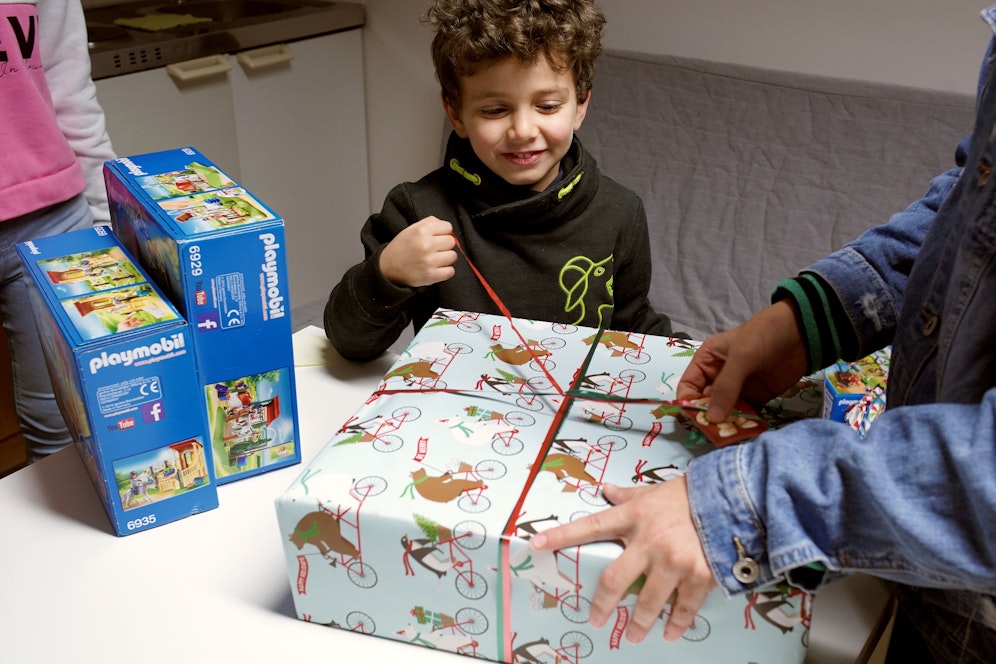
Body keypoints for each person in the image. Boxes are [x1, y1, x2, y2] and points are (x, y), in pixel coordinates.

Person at [531, 7, 996, 662]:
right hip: (936, 585)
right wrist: (811, 318)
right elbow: (971, 199)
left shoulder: (614, 210)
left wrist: (745, 502)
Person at [325, 0, 678, 361]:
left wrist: (693, 363)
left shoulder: (620, 211)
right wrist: (388, 273)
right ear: (456, 114)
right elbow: (351, 343)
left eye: (548, 106)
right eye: (495, 110)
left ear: (580, 105)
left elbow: (635, 327)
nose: (523, 131)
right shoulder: (416, 212)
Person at [0, 0, 117, 462]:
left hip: (53, 215)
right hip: (51, 215)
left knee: (70, 430)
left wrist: (107, 220)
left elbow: (69, 84)